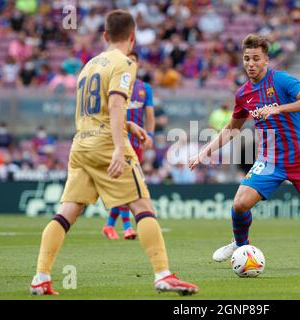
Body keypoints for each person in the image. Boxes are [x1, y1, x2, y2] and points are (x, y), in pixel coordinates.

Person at [29, 10, 198, 296]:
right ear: (132, 38)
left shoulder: (89, 65)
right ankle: (163, 274)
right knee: (143, 208)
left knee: (67, 212)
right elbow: (117, 104)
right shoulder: (125, 62)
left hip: (81, 144)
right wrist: (120, 147)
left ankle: (40, 277)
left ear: (105, 36)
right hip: (107, 145)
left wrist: (128, 124)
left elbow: (95, 110)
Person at [189, 34, 300, 263]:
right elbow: (232, 127)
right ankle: (241, 246)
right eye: (246, 59)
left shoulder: (282, 81)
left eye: (256, 59)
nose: (250, 64)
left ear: (266, 60)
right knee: (240, 204)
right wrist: (205, 151)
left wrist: (279, 109)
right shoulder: (242, 94)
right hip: (269, 160)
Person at [102, 51, 155, 241]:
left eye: (133, 61)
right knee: (127, 183)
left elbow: (149, 114)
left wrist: (149, 134)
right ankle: (126, 227)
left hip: (137, 142)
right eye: (128, 61)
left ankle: (109, 225)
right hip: (119, 141)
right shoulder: (115, 84)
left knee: (128, 184)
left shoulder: (144, 88)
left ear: (138, 64)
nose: (130, 64)